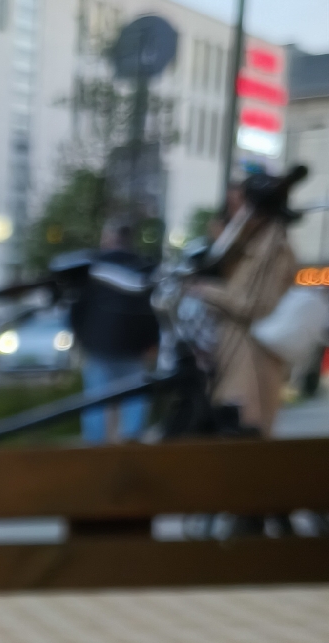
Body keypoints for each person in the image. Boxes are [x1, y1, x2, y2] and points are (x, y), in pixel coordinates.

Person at [187, 169, 304, 436]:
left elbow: (255, 304)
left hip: (249, 355)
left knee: (244, 430)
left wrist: (208, 291)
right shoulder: (252, 242)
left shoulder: (270, 247)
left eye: (238, 204)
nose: (234, 213)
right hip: (237, 349)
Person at [68, 221, 160, 443]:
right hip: (135, 345)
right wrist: (152, 341)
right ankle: (131, 441)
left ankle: (96, 443)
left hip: (98, 343)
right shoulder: (144, 268)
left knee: (96, 398)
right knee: (134, 396)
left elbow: (78, 306)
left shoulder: (92, 267)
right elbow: (153, 310)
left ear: (108, 238)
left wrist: (79, 336)